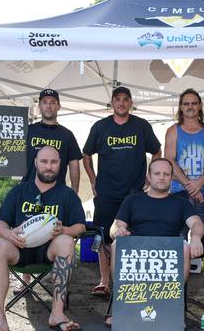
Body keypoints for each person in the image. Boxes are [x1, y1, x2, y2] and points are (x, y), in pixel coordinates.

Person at [0, 88, 83, 289]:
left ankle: (42, 277)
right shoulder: (28, 129)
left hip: (56, 192)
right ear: (39, 106)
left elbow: (75, 163)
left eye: (52, 102)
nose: (48, 105)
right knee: (25, 228)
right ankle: (26, 279)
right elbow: (6, 148)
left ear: (58, 106)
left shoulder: (67, 135)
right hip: (28, 190)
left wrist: (74, 190)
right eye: (45, 102)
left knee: (52, 233)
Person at [0, 146, 86, 331]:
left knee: (66, 241)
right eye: (44, 161)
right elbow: (0, 224)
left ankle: (57, 313)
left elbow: (80, 226)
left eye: (54, 162)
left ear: (60, 165)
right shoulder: (19, 191)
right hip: (19, 249)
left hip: (49, 251)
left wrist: (64, 230)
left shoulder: (67, 194)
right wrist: (9, 234)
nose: (49, 166)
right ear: (36, 163)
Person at [105, 158, 204, 327]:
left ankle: (171, 309)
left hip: (168, 253)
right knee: (116, 244)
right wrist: (118, 231)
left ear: (172, 177)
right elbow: (115, 227)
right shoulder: (132, 200)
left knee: (184, 246)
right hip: (137, 252)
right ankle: (122, 307)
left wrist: (195, 238)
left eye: (166, 174)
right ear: (149, 177)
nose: (161, 177)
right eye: (157, 173)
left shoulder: (181, 203)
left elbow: (196, 223)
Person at [82, 86, 161, 296]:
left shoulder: (141, 126)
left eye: (126, 99)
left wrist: (150, 177)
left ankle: (130, 281)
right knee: (103, 237)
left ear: (131, 102)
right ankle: (104, 280)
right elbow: (86, 154)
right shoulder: (100, 127)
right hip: (106, 193)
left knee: (132, 236)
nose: (121, 103)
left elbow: (157, 151)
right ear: (112, 102)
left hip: (135, 193)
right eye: (117, 99)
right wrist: (92, 180)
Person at [165, 88, 204, 235]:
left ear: (200, 106)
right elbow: (169, 161)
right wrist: (190, 186)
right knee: (177, 239)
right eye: (186, 103)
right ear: (181, 107)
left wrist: (200, 183)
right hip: (179, 193)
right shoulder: (173, 130)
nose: (190, 106)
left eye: (194, 103)